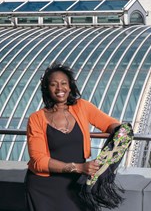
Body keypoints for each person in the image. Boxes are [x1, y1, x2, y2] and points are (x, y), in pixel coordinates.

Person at [25, 62, 120, 211]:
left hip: (75, 184)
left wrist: (122, 131)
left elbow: (110, 123)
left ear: (70, 87)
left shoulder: (82, 106)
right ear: (47, 89)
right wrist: (79, 167)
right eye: (53, 84)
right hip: (43, 187)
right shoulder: (36, 118)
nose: (59, 88)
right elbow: (38, 161)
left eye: (64, 83)